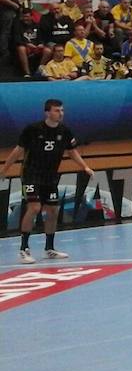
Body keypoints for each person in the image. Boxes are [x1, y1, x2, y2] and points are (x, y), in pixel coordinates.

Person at [1, 98, 95, 264]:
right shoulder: (33, 129)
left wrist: (85, 167)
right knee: (35, 207)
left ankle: (49, 248)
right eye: (57, 111)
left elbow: (72, 152)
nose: (60, 114)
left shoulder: (65, 131)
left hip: (50, 176)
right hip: (31, 174)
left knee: (53, 211)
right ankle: (24, 249)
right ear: (47, 112)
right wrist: (5, 169)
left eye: (62, 111)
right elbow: (18, 151)